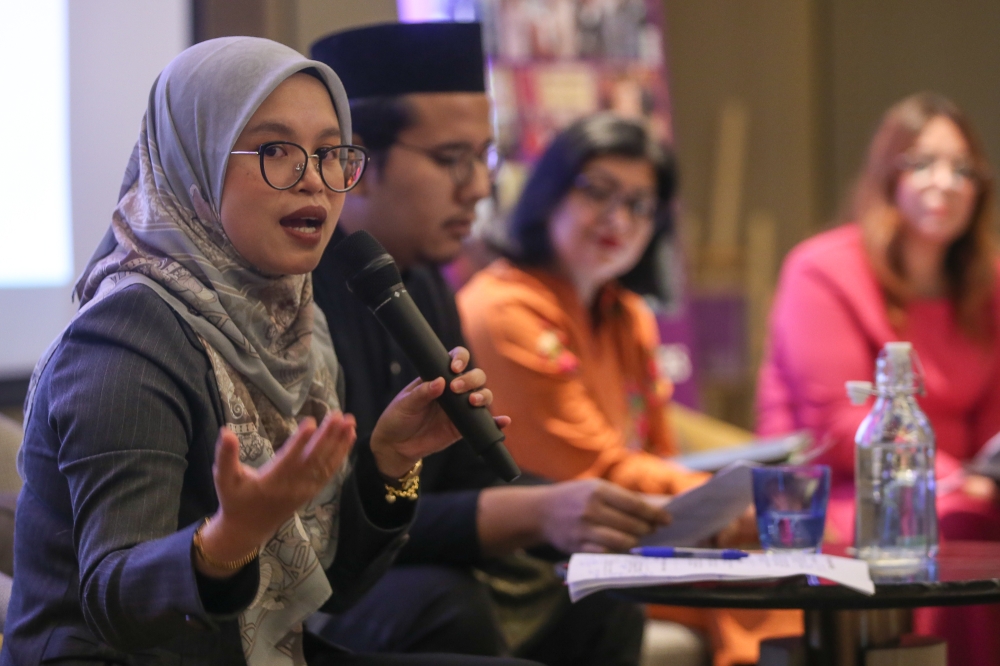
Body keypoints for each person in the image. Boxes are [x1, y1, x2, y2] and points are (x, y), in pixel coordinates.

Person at [0, 36, 536, 666]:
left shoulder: (295, 325)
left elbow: (334, 590)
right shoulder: (126, 335)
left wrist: (392, 463)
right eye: (275, 150)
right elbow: (115, 605)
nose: (314, 180)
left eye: (330, 153)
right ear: (196, 162)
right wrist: (232, 537)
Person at [308, 22, 669, 666]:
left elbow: (465, 476)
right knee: (443, 603)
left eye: (485, 157)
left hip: (416, 565)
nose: (477, 187)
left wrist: (574, 509)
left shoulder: (426, 283)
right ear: (354, 163)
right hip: (325, 586)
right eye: (453, 159)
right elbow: (330, 520)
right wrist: (538, 512)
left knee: (604, 596)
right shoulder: (298, 292)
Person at [457, 114, 803, 666]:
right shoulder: (502, 309)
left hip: (630, 531)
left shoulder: (628, 313)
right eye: (597, 191)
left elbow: (656, 453)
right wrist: (724, 500)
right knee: (771, 587)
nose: (618, 219)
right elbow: (590, 470)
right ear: (550, 192)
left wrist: (720, 502)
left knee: (792, 566)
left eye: (640, 205)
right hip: (543, 549)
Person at [756, 91, 1000, 665]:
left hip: (968, 495)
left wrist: (982, 478)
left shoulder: (988, 282)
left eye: (962, 169)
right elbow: (839, 426)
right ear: (887, 174)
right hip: (846, 496)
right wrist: (957, 480)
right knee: (960, 526)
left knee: (973, 518)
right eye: (923, 163)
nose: (945, 182)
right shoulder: (822, 269)